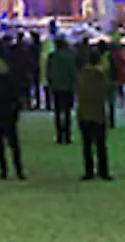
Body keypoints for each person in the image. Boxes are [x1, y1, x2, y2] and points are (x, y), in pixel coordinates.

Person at [76, 39, 113, 181]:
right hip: (98, 113)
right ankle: (103, 170)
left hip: (84, 113)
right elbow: (105, 92)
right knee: (101, 145)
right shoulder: (100, 76)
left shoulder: (81, 75)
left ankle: (89, 170)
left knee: (87, 145)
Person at [0, 56, 25, 179]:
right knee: (14, 145)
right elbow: (17, 99)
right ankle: (18, 170)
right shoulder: (11, 83)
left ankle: (3, 170)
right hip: (9, 116)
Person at [44, 36, 78, 144]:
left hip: (56, 86)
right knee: (67, 111)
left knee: (57, 111)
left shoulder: (52, 56)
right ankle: (67, 135)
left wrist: (50, 82)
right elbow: (73, 72)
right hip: (67, 86)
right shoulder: (69, 57)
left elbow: (48, 71)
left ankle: (59, 135)